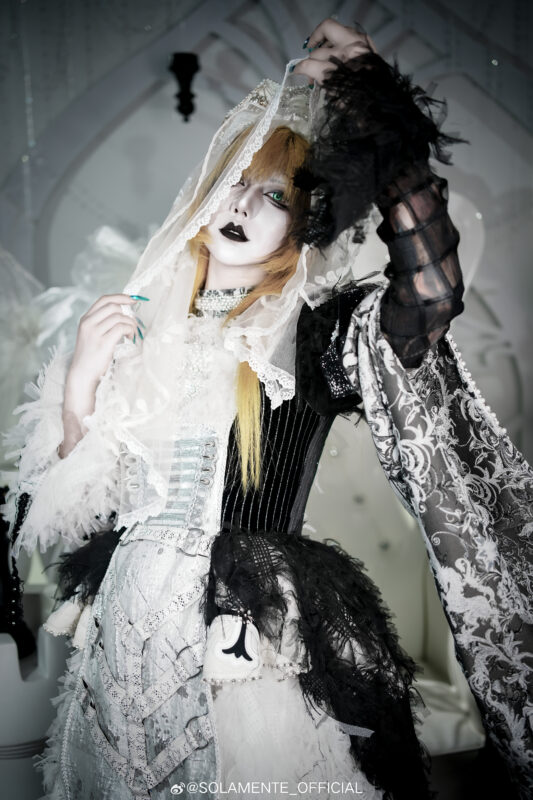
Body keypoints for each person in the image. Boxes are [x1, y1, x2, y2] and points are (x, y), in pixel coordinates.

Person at [3, 18, 532, 800]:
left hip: (250, 626)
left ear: (303, 221)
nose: (243, 204)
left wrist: (381, 120)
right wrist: (81, 381)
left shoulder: (315, 334)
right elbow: (74, 515)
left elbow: (429, 293)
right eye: (233, 182)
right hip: (126, 623)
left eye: (275, 195)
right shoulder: (139, 327)